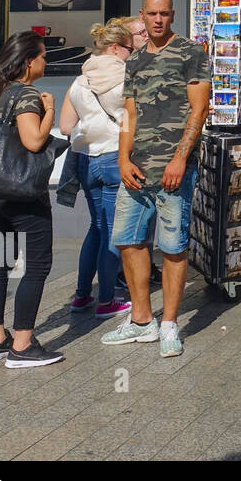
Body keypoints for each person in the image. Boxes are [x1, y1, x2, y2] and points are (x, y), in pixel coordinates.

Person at [103, 0, 210, 358]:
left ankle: (169, 324)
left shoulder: (191, 53)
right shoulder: (133, 62)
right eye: (152, 13)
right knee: (127, 240)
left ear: (173, 15)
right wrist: (122, 159)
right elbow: (128, 117)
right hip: (136, 168)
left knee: (172, 247)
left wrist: (180, 159)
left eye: (165, 13)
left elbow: (199, 111)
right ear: (142, 16)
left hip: (173, 170)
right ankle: (142, 319)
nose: (159, 19)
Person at [0, 32, 64, 368]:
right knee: (38, 266)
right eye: (42, 57)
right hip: (25, 196)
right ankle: (23, 345)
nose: (45, 62)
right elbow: (35, 141)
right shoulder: (26, 94)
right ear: (29, 61)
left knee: (0, 266)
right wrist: (50, 110)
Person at [58, 17, 137, 320]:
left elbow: (66, 125)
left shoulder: (80, 80)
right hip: (116, 158)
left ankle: (81, 295)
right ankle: (106, 300)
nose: (131, 54)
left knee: (97, 227)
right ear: (116, 48)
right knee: (115, 231)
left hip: (86, 160)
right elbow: (135, 119)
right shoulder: (125, 78)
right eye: (129, 48)